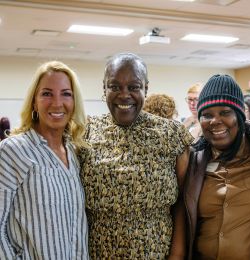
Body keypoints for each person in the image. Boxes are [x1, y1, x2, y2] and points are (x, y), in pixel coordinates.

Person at [79, 52, 193, 259]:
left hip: (157, 252)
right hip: (97, 252)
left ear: (145, 89)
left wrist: (177, 254)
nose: (124, 95)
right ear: (104, 89)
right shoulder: (85, 132)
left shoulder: (171, 134)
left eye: (133, 87)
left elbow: (184, 202)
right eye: (114, 87)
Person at [184, 74, 250, 260]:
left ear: (240, 116)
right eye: (207, 115)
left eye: (225, 112)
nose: (215, 121)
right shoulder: (193, 160)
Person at [0, 61, 89, 259]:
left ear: (74, 102)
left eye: (66, 94)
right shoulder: (13, 150)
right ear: (34, 101)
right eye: (47, 93)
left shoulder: (74, 152)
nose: (57, 103)